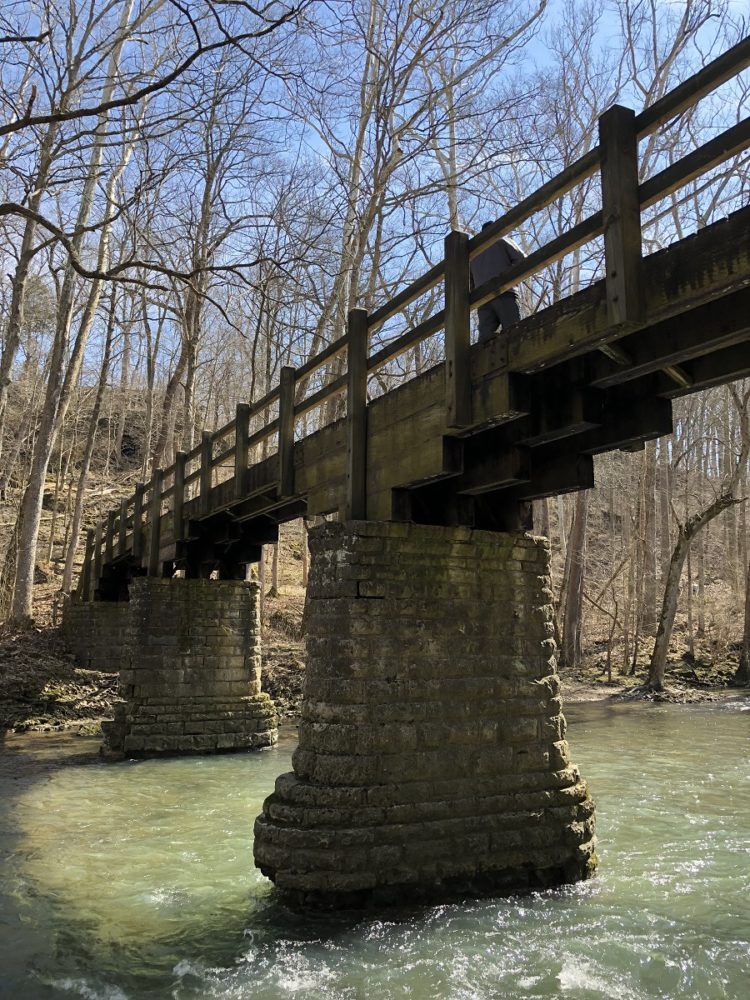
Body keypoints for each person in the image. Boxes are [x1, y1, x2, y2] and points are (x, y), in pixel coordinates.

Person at [470, 221, 525, 343]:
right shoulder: (501, 239)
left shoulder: (474, 254)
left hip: (483, 300)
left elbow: (471, 283)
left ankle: (484, 360)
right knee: (513, 331)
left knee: (484, 339)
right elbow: (521, 259)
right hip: (504, 292)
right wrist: (509, 276)